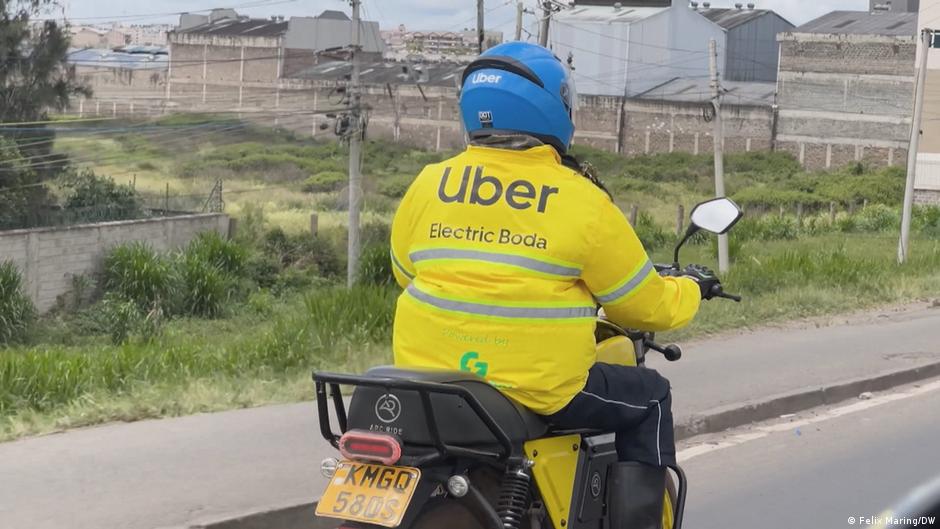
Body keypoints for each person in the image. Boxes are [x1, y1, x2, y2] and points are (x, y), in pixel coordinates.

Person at [389, 42, 717, 529]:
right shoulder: (581, 200)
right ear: (554, 108)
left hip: (428, 379)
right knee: (650, 397)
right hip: (534, 386)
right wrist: (690, 289)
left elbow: (404, 270)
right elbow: (644, 308)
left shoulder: (430, 182)